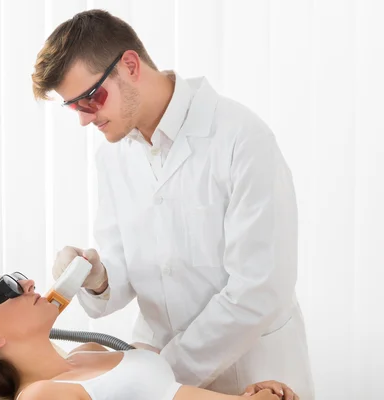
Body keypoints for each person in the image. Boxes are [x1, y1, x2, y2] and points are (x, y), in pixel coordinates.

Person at [32, 9, 314, 399]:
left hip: (253, 370)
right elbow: (127, 277)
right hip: (156, 373)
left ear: (130, 65)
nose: (85, 120)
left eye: (91, 98)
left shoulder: (240, 138)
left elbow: (260, 288)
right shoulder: (112, 158)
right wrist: (98, 278)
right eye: (74, 107)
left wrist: (156, 375)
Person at [0, 270, 300, 400]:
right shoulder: (41, 395)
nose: (29, 283)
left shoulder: (89, 352)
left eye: (18, 276)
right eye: (7, 287)